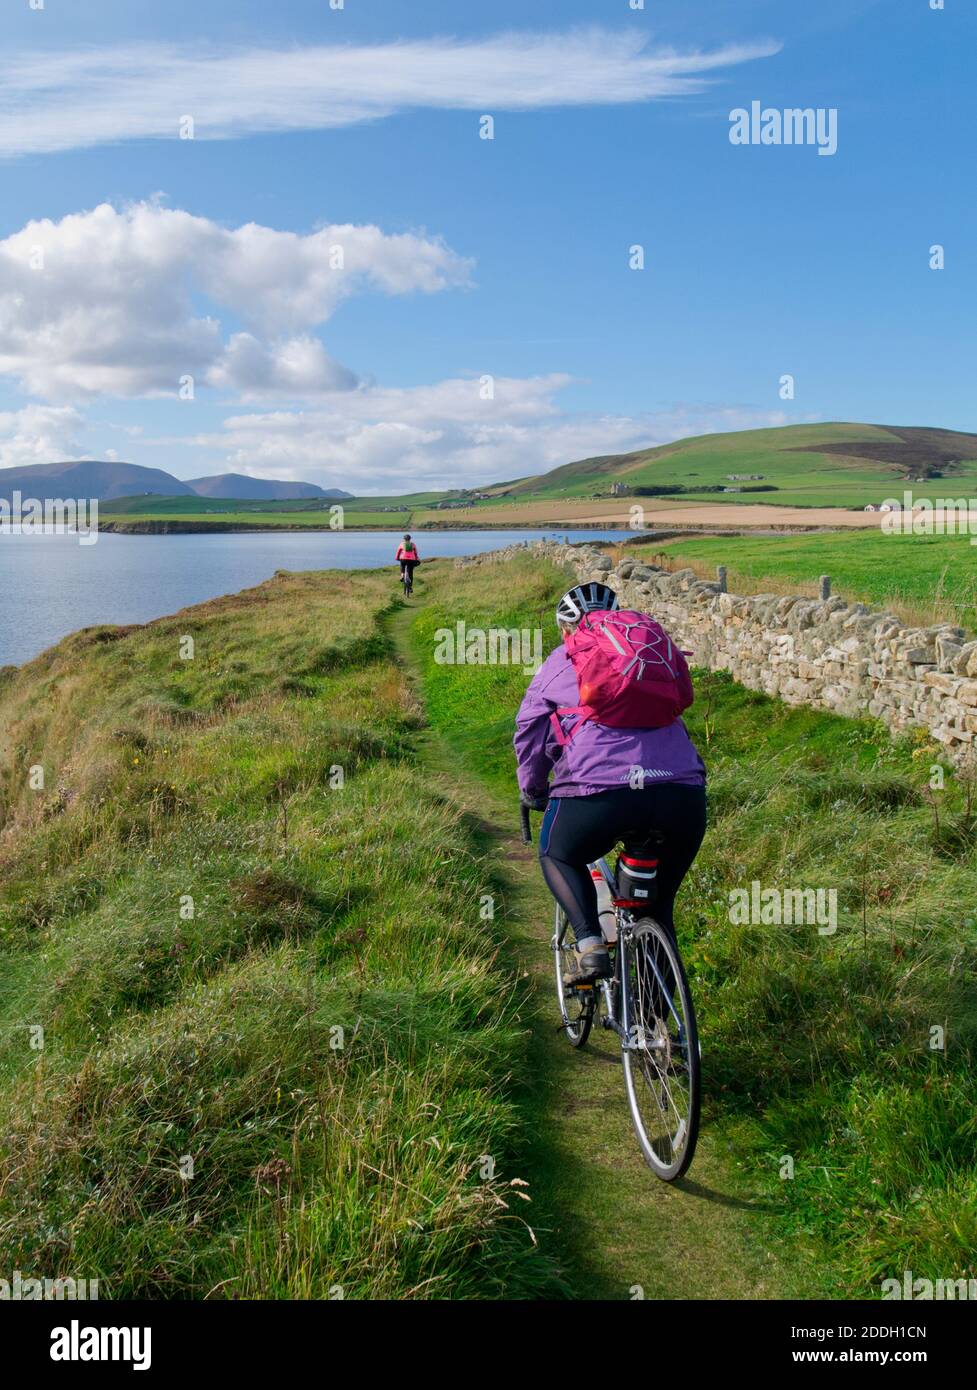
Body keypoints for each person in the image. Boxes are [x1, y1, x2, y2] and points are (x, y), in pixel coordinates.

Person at [514, 582, 706, 984]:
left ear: (566, 629)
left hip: (598, 789)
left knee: (558, 853)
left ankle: (590, 947)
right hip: (680, 793)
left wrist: (532, 789)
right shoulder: (647, 654)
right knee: (657, 909)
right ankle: (654, 1029)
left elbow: (530, 728)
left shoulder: (562, 657)